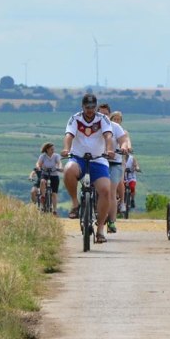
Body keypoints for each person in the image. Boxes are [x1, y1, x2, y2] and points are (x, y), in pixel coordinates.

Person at [61, 93, 117, 243]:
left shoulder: (103, 119)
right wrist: (66, 149)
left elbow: (108, 136)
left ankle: (100, 230)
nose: (90, 110)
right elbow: (69, 135)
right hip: (78, 158)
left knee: (105, 190)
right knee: (68, 170)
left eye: (93, 107)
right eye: (87, 107)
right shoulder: (75, 118)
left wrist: (109, 150)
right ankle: (75, 203)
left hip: (98, 160)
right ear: (82, 107)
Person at [98, 104, 131, 233]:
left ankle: (111, 221)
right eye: (100, 113)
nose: (103, 116)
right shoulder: (94, 127)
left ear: (109, 115)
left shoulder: (115, 127)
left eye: (105, 114)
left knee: (111, 192)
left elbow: (124, 140)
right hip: (99, 161)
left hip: (114, 162)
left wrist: (123, 147)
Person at [35, 142, 62, 213]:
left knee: (54, 194)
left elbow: (59, 162)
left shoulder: (56, 156)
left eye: (53, 149)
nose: (53, 150)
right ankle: (43, 196)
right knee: (42, 181)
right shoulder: (43, 156)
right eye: (51, 149)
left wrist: (59, 167)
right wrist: (38, 167)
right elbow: (38, 163)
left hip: (54, 175)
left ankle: (55, 210)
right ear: (47, 150)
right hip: (45, 174)